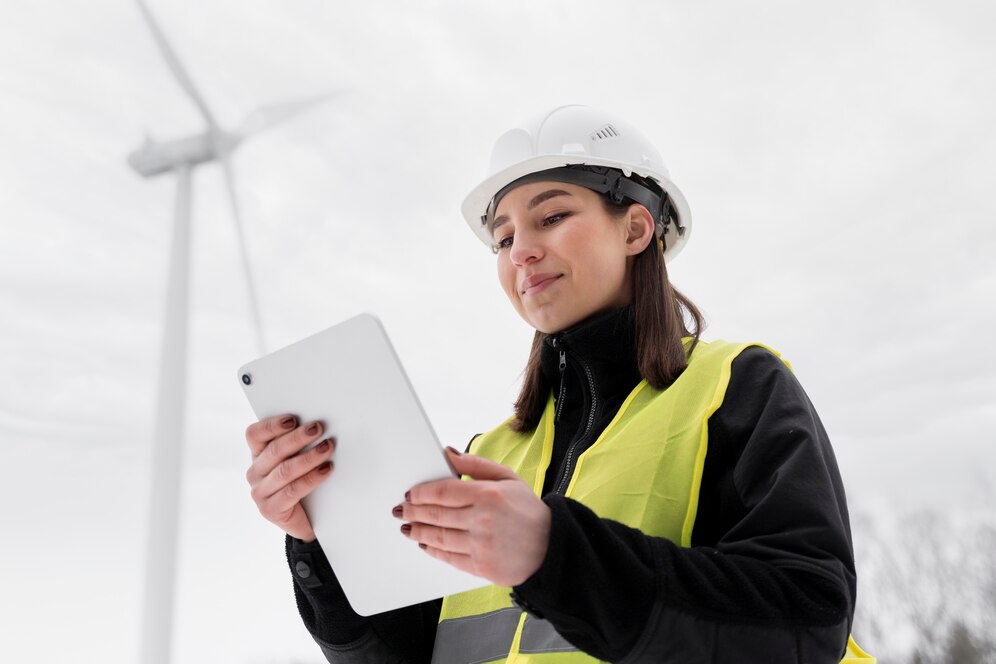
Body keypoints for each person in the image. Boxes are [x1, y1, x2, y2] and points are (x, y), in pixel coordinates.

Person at [243, 105, 875, 663]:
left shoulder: (735, 388)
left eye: (551, 217)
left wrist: (554, 554)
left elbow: (807, 620)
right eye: (505, 237)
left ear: (635, 229)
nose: (521, 251)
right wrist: (322, 541)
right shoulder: (488, 455)